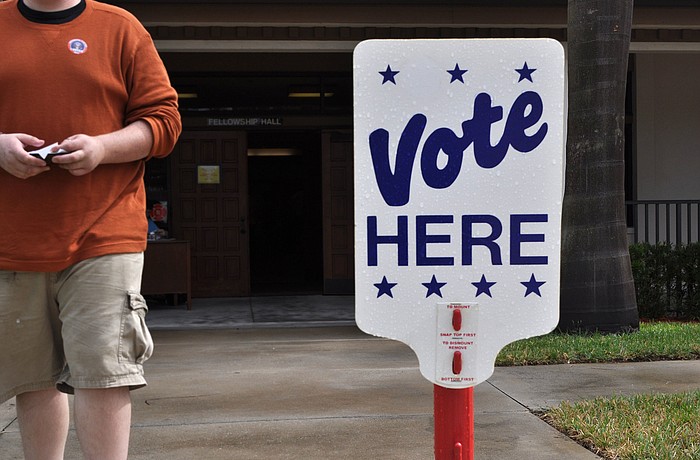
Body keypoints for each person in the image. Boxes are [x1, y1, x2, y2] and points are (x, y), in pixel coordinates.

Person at [0, 1, 182, 459]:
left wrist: (102, 148)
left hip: (105, 230)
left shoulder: (120, 28)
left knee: (104, 373)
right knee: (33, 378)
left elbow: (164, 122)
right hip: (12, 238)